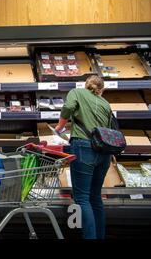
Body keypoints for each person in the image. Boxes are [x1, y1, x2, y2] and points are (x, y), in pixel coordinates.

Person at [54, 75, 112, 239]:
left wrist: (60, 127)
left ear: (86, 85)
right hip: (104, 153)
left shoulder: (77, 92)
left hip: (84, 148)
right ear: (102, 90)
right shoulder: (105, 104)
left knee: (82, 198)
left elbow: (68, 107)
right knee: (95, 197)